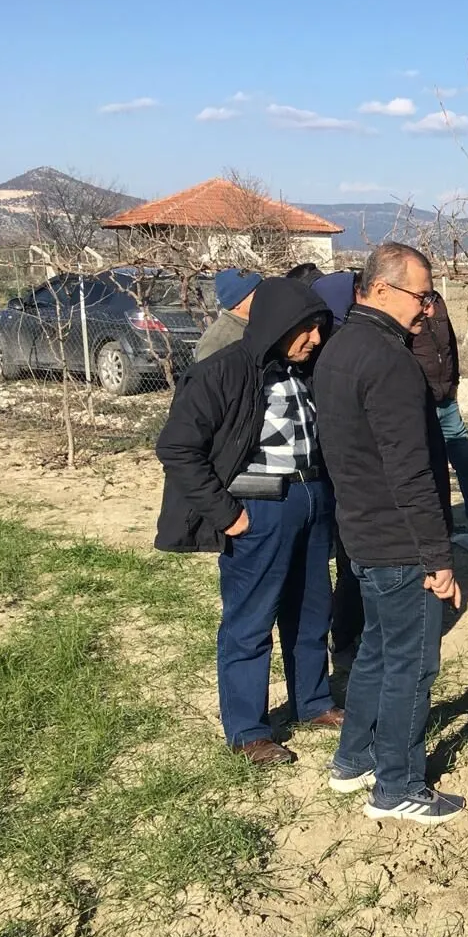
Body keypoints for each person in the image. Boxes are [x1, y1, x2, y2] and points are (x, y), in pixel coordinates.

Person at [155, 278, 342, 764]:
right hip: (258, 510)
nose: (315, 339)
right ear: (279, 324)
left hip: (312, 501)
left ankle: (314, 701)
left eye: (320, 328)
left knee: (311, 610)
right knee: (250, 621)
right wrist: (227, 515)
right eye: (307, 329)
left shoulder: (306, 369)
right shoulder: (223, 371)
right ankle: (248, 730)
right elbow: (176, 448)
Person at [314, 242, 465, 825]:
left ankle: (353, 760)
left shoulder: (339, 349)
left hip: (361, 530)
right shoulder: (389, 361)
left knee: (376, 651)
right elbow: (411, 469)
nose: (428, 309)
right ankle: (398, 784)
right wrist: (437, 555)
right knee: (412, 663)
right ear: (381, 289)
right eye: (421, 296)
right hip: (400, 538)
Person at [413, 290, 468, 537]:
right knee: (430, 469)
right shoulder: (404, 306)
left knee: (467, 460)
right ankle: (439, 528)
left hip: (446, 401)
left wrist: (453, 385)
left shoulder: (439, 301)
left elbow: (450, 345)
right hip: (421, 403)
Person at [310, 270, 364, 661]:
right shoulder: (331, 351)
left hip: (336, 471)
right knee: (344, 563)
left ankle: (344, 636)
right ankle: (343, 638)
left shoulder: (323, 349)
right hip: (334, 474)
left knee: (346, 562)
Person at [195, 268, 262, 361]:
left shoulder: (260, 323)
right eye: (256, 292)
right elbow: (208, 374)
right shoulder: (215, 343)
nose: (263, 294)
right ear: (237, 303)